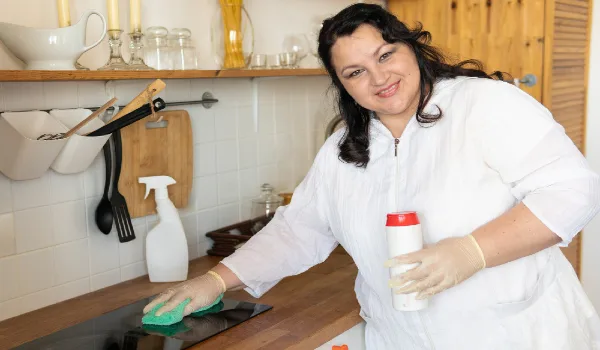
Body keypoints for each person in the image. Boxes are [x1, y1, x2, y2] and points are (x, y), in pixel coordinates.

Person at [144, 3, 600, 349]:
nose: (379, 78)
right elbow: (299, 228)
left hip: (517, 335)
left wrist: (472, 252)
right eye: (356, 72)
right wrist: (217, 280)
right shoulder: (345, 147)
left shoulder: (485, 106)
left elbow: (572, 190)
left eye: (386, 55)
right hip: (400, 339)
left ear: (412, 48)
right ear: (343, 85)